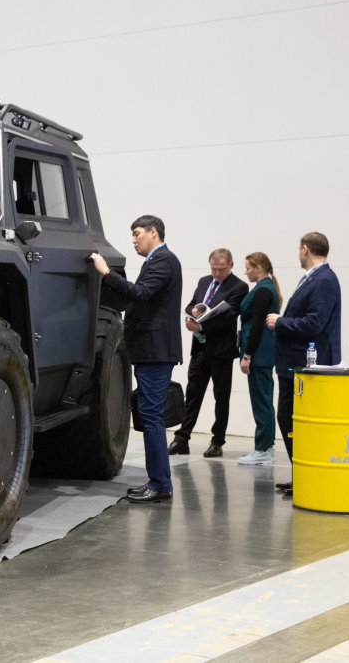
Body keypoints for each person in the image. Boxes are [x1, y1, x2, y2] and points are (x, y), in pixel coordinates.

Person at [91, 215, 182, 504]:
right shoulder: (155, 262)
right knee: (149, 414)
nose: (133, 240)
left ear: (154, 232)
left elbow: (140, 293)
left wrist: (107, 273)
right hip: (150, 351)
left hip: (156, 352)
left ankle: (160, 484)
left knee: (152, 416)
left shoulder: (164, 261)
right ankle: (158, 481)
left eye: (137, 234)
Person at [266, 232, 341, 495]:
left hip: (307, 364)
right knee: (291, 421)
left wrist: (280, 321)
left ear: (305, 249)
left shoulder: (324, 280)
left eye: (299, 249)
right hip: (295, 363)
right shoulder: (313, 278)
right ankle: (301, 474)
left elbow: (315, 323)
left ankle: (307, 477)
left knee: (295, 421)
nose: (298, 254)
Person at [168, 248, 248, 458]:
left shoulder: (239, 286)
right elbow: (191, 304)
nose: (217, 273)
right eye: (214, 269)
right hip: (200, 349)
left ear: (231, 265)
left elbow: (229, 315)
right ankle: (182, 438)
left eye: (221, 269)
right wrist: (192, 312)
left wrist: (202, 326)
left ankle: (217, 441)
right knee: (192, 394)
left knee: (221, 397)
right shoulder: (204, 281)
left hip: (221, 351)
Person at [236, 252, 282, 465]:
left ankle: (263, 448)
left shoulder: (263, 290)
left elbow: (257, 326)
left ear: (259, 268)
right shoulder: (264, 288)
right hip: (261, 353)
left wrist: (247, 355)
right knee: (263, 400)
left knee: (261, 402)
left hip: (259, 353)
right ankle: (266, 447)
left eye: (248, 268)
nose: (246, 272)